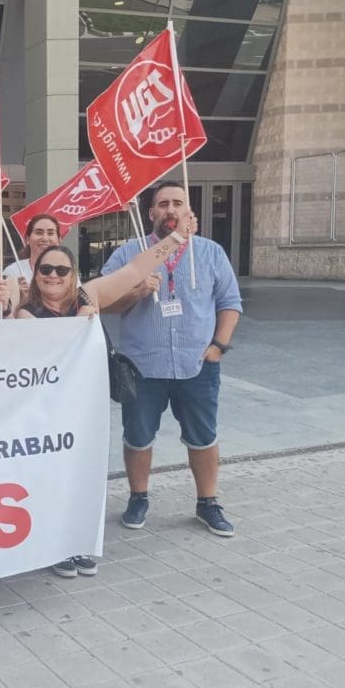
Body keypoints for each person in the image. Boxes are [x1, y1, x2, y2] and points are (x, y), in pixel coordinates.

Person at [13, 214, 197, 576]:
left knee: (84, 475)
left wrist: (175, 238)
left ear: (73, 275)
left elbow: (134, 270)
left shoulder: (88, 294)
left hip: (85, 409)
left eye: (62, 270)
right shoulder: (25, 313)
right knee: (50, 478)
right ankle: (54, 545)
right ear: (36, 275)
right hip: (46, 413)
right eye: (45, 269)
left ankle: (78, 541)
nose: (53, 275)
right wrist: (79, 322)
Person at [101, 181, 242, 537]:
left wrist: (218, 349)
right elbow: (101, 303)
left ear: (188, 212)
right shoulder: (129, 254)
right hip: (142, 366)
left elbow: (230, 303)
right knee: (137, 437)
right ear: (151, 213)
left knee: (203, 436)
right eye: (162, 203)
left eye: (177, 203)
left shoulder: (210, 253)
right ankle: (138, 497)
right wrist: (135, 291)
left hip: (197, 365)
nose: (170, 209)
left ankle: (207, 503)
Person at [4, 214, 61, 307]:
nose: (45, 238)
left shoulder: (67, 270)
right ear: (27, 239)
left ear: (59, 240)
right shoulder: (13, 271)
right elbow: (3, 312)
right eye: (39, 232)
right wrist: (16, 295)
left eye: (51, 233)